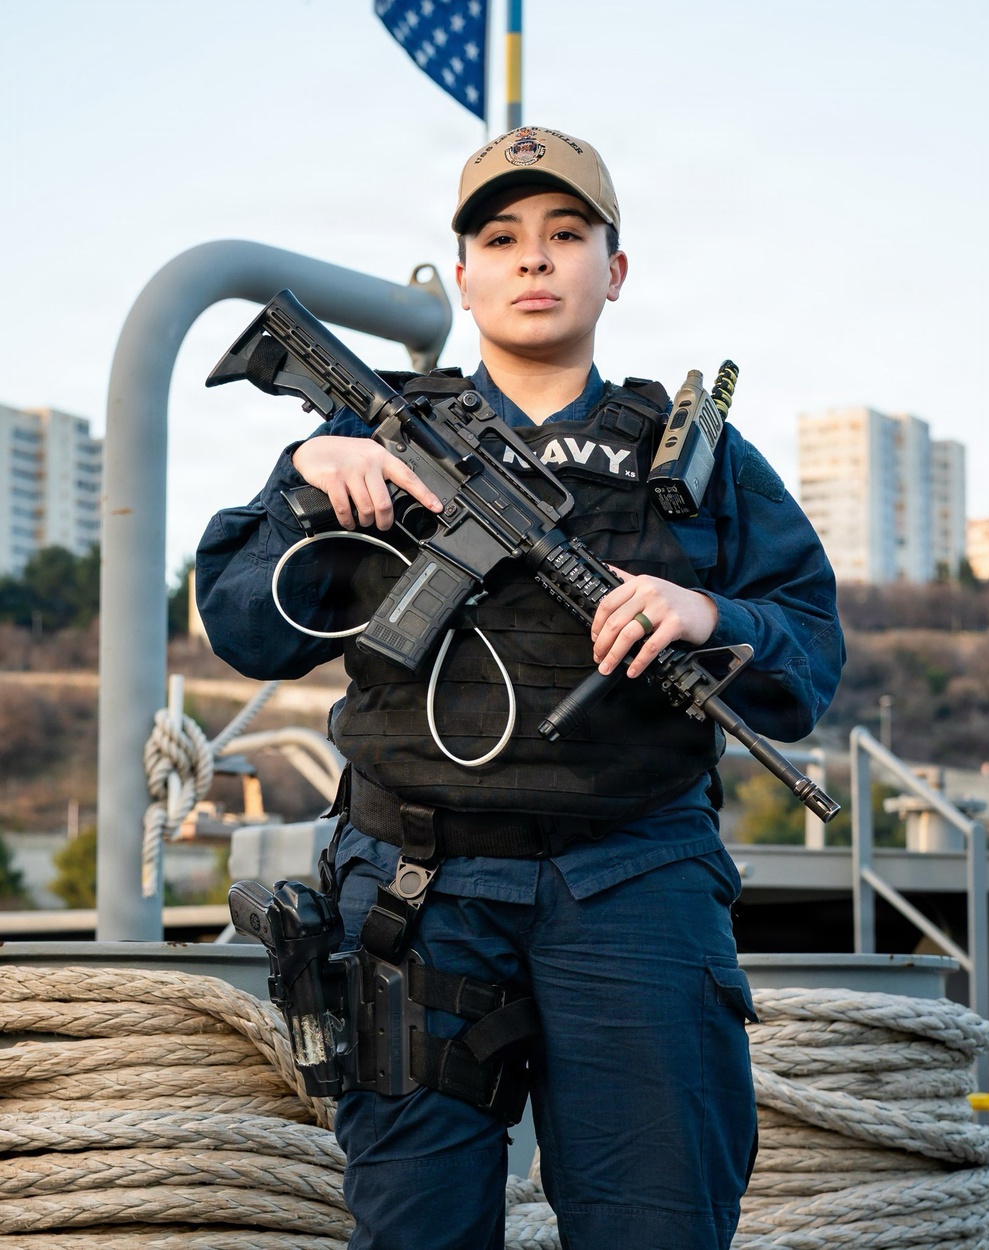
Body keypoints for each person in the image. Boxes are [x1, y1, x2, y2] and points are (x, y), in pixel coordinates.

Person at [196, 125, 845, 1250]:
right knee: (416, 1226)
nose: (533, 259)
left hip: (636, 879)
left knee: (659, 1220)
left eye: (565, 234)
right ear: (464, 275)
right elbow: (244, 626)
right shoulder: (369, 428)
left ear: (615, 270)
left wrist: (708, 614)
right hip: (415, 889)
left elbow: (808, 650)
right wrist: (310, 487)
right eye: (500, 238)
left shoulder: (697, 462)